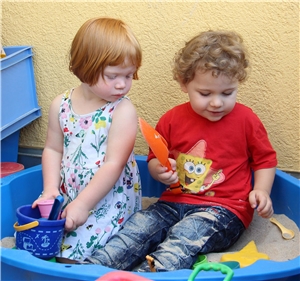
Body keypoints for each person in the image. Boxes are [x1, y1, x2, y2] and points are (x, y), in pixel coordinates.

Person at [84, 30, 277, 271]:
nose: (217, 102)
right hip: (173, 202)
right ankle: (94, 267)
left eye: (227, 93)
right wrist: (159, 171)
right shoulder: (172, 119)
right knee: (139, 227)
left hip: (224, 209)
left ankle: (154, 272)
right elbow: (155, 159)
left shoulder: (246, 120)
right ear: (184, 83)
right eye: (205, 93)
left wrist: (261, 190)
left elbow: (265, 160)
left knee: (187, 235)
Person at [32, 17, 143, 260]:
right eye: (113, 75)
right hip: (71, 194)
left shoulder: (122, 111)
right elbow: (52, 150)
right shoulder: (60, 105)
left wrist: (83, 204)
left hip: (110, 201)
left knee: (78, 254)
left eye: (129, 75)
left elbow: (114, 164)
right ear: (85, 67)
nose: (122, 85)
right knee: (40, 237)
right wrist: (50, 189)